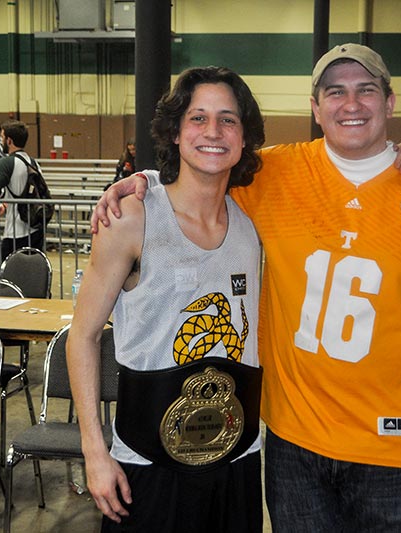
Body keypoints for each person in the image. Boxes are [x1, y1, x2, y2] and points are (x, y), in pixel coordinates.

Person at [94, 44, 401, 532]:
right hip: (293, 440)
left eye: (366, 91)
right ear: (315, 107)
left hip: (392, 443)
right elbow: (205, 165)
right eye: (335, 92)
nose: (351, 104)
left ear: (389, 103)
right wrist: (141, 182)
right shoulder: (276, 174)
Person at [68, 66, 267, 532]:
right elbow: (82, 335)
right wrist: (94, 452)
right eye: (198, 118)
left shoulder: (254, 222)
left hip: (236, 455)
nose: (213, 132)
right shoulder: (132, 216)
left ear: (244, 138)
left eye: (228, 120)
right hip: (147, 460)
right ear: (176, 131)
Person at [0, 119, 45, 260]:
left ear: (9, 141)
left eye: (2, 137)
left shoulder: (7, 163)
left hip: (15, 232)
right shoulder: (33, 162)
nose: (1, 141)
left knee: (10, 275)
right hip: (35, 229)